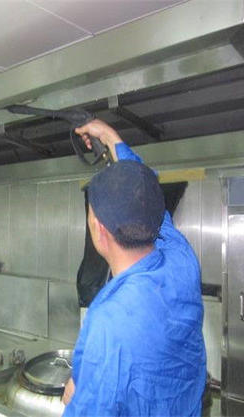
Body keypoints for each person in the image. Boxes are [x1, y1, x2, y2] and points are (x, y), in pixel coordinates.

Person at [62, 119, 206, 417]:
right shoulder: (181, 260)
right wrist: (111, 138)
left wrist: (76, 393)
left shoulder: (109, 320)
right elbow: (146, 195)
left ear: (99, 230)